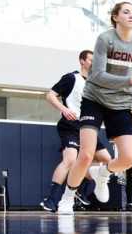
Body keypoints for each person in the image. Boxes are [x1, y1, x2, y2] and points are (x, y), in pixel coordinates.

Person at [59, 1, 132, 214]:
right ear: (115, 17)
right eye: (126, 12)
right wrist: (130, 80)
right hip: (95, 100)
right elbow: (98, 75)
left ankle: (103, 174)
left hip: (120, 104)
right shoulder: (105, 39)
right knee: (85, 154)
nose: (131, 15)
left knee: (128, 158)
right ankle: (68, 197)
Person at [42, 49, 110, 212]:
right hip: (71, 125)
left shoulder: (95, 84)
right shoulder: (72, 78)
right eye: (91, 60)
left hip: (89, 127)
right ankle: (51, 199)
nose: (94, 63)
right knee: (70, 159)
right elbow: (50, 95)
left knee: (107, 160)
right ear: (82, 61)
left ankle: (79, 187)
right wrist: (64, 109)